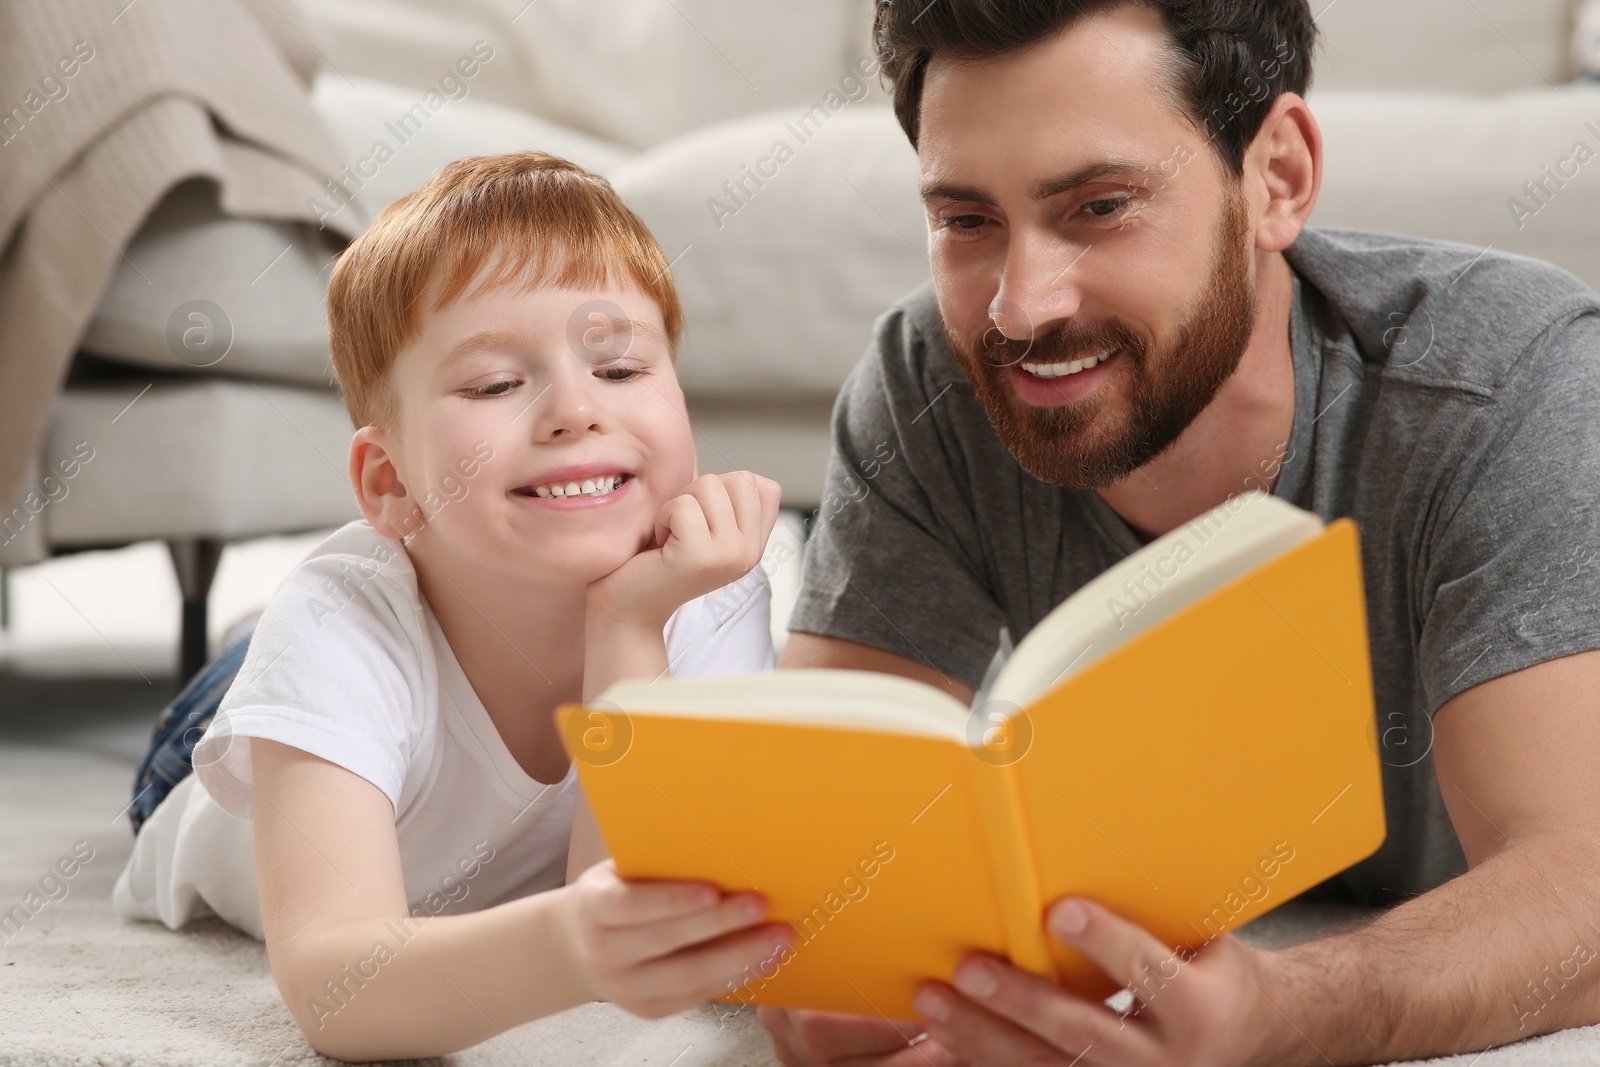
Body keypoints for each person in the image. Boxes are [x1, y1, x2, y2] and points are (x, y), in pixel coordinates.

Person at [764, 1, 1600, 1064]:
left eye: (1100, 206)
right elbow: (824, 858)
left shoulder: (1505, 379)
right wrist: (843, 977)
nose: (1020, 306)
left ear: (1278, 178)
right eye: (966, 220)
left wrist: (1279, 1011)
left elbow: (1582, 888)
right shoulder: (933, 378)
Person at [112, 151, 792, 1061]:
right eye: (495, 386)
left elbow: (631, 931)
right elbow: (336, 991)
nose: (575, 411)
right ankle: (246, 651)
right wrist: (564, 941)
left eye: (622, 369)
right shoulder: (333, 630)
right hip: (222, 754)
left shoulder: (709, 592)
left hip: (409, 621)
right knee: (306, 636)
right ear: (390, 481)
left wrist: (627, 623)